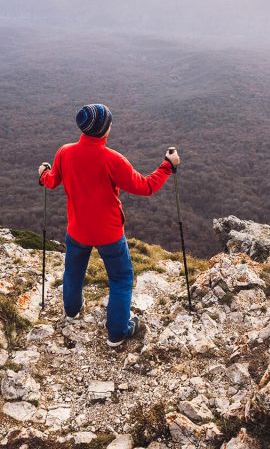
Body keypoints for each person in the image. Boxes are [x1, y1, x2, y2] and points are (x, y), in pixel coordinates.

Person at [38, 103, 180, 347]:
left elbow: (51, 182)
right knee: (121, 278)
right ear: (105, 129)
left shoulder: (65, 152)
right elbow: (146, 187)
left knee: (73, 271)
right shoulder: (112, 159)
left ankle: (72, 311)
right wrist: (168, 166)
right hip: (109, 233)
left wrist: (42, 174)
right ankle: (117, 332)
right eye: (110, 123)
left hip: (77, 229)